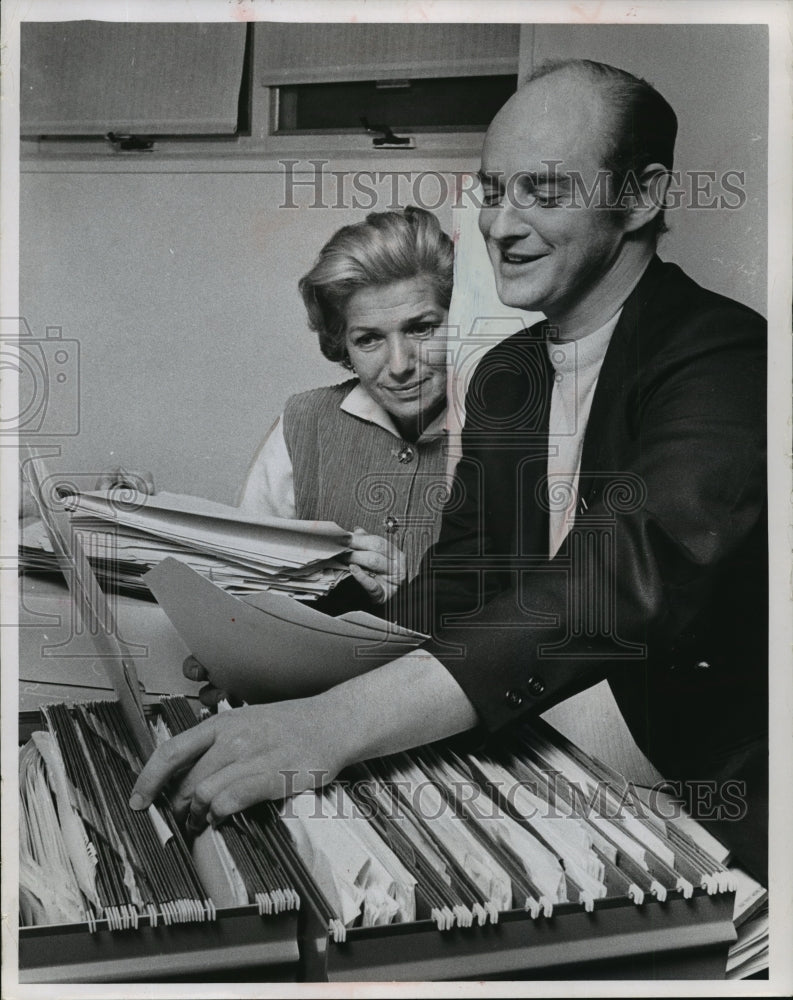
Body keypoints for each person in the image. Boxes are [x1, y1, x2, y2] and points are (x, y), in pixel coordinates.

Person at [131, 60, 768, 884]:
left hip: (727, 803)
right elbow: (452, 590)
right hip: (559, 760)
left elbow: (613, 580)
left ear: (641, 196)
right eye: (491, 191)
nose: (499, 225)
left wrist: (334, 726)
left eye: (541, 190)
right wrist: (284, 686)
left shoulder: (728, 357)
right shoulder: (508, 372)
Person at [234, 205, 456, 606]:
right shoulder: (304, 421)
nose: (401, 365)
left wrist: (417, 599)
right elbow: (245, 584)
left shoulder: (508, 430)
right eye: (369, 339)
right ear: (343, 345)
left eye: (421, 328)